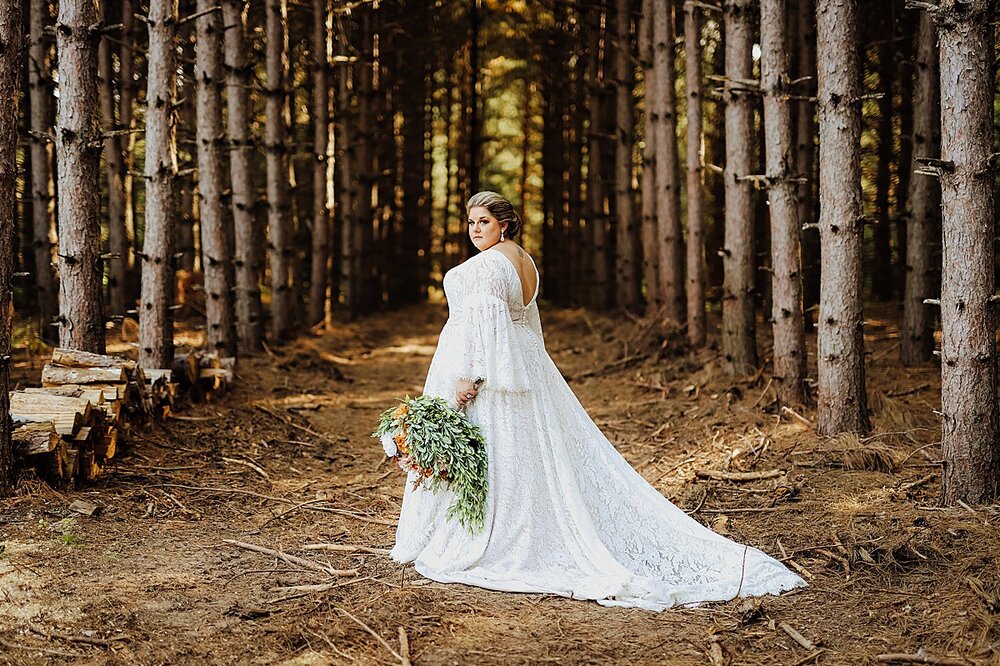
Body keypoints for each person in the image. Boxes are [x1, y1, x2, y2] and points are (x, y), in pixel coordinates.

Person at [389, 191, 805, 611]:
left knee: (501, 452)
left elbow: (484, 326)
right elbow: (526, 323)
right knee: (523, 455)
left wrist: (467, 377)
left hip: (488, 375)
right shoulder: (524, 261)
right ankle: (520, 521)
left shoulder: (488, 266)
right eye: (471, 222)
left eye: (483, 222)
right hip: (524, 365)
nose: (475, 229)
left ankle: (500, 532)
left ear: (504, 225)